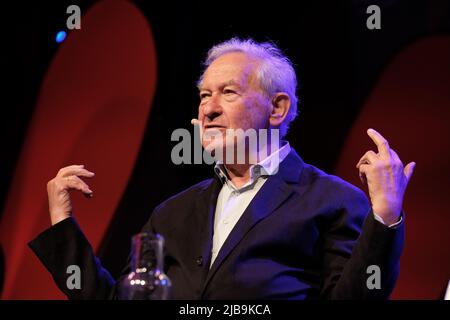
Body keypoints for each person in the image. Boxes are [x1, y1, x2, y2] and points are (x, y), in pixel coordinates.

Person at [29, 38, 415, 299]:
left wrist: (384, 216)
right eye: (203, 95)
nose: (208, 108)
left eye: (227, 92)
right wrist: (63, 224)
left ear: (276, 109)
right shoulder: (172, 213)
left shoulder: (331, 200)